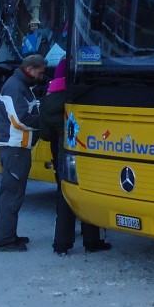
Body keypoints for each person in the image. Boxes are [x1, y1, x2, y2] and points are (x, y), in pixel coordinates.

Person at [43, 58, 110, 256]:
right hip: (84, 153)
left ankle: (61, 244)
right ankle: (92, 241)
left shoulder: (48, 100)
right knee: (88, 193)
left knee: (64, 197)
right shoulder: (83, 96)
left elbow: (45, 135)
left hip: (61, 156)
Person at [0, 53, 47, 251]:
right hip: (15, 148)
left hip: (18, 148)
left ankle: (8, 235)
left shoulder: (21, 86)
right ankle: (5, 240)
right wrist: (45, 121)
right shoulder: (15, 87)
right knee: (11, 194)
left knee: (14, 193)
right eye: (40, 73)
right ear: (30, 69)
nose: (41, 77)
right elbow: (21, 119)